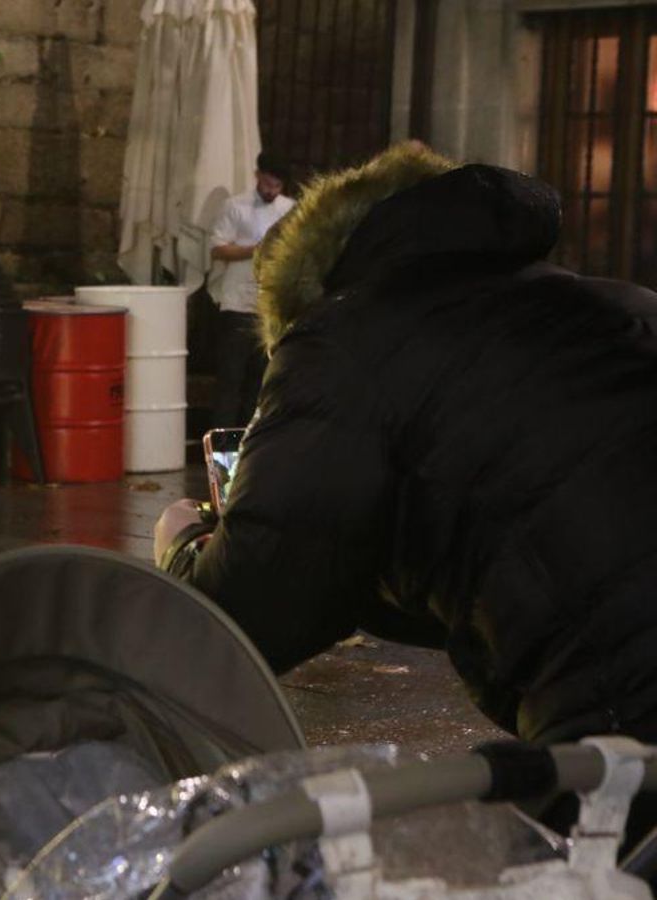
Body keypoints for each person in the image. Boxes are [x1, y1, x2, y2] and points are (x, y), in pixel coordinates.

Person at [154, 141, 657, 843]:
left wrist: (182, 542)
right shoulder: (598, 306)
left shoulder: (344, 338)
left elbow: (246, 612)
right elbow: (469, 545)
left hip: (623, 689)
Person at [207, 152, 296, 428]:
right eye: (268, 184)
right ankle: (222, 453)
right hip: (236, 304)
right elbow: (218, 248)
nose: (272, 191)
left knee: (260, 382)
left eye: (277, 187)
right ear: (257, 176)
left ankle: (251, 448)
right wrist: (255, 250)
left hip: (268, 306)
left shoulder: (290, 208)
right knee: (230, 380)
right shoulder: (235, 206)